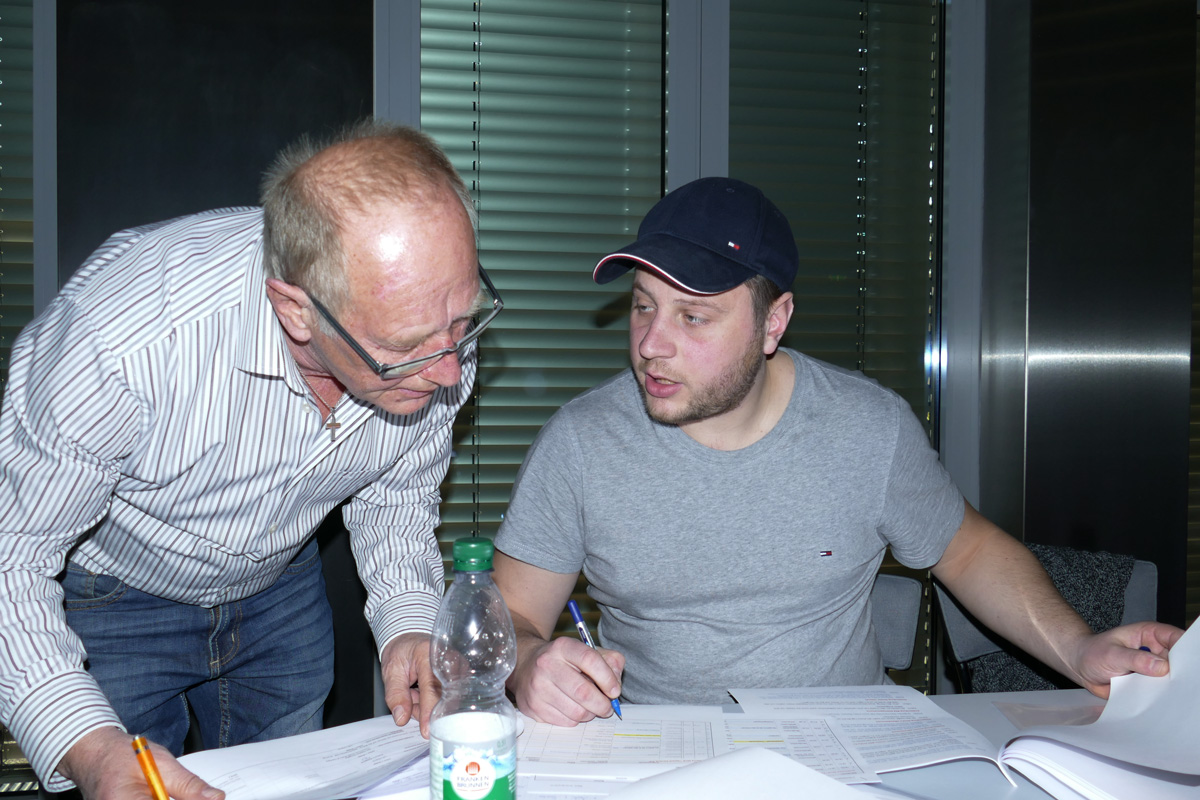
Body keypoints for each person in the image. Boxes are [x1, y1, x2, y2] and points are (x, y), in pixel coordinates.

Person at [491, 176, 1185, 726]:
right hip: (659, 751)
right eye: (643, 305)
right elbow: (513, 619)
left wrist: (1078, 648)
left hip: (839, 753)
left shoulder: (869, 429)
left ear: (774, 322)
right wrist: (529, 668)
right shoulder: (580, 443)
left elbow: (969, 551)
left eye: (693, 316)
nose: (651, 344)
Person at [0, 120, 501, 799]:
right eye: (406, 348)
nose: (449, 372)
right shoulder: (121, 341)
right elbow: (11, 558)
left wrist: (411, 621)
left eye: (464, 321)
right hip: (115, 599)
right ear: (296, 311)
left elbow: (397, 493)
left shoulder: (432, 327)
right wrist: (86, 748)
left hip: (281, 588)